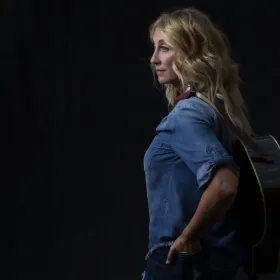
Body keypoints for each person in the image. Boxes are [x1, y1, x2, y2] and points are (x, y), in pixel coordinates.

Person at [142, 7, 253, 280]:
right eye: (154, 48)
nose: (154, 58)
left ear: (191, 54)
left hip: (181, 262)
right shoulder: (218, 111)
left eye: (165, 48)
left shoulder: (188, 113)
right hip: (215, 262)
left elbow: (225, 184)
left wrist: (188, 237)